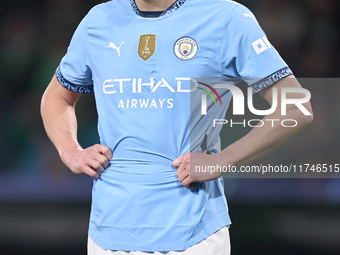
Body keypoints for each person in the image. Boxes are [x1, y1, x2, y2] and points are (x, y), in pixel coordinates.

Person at [40, 0, 313, 254]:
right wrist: (70, 151)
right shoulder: (98, 21)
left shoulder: (225, 17)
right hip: (107, 234)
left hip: (195, 235)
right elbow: (58, 97)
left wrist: (222, 160)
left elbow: (296, 107)